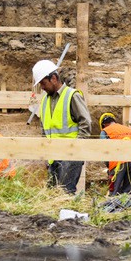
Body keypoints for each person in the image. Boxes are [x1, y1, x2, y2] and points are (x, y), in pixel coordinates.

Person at [32, 59, 91, 194]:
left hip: (70, 156)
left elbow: (85, 124)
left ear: (53, 78)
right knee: (52, 194)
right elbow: (45, 129)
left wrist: (76, 150)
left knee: (66, 194)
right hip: (53, 156)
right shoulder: (45, 100)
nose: (42, 87)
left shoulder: (72, 96)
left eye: (43, 83)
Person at [98, 112, 131, 196]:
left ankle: (114, 207)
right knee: (128, 193)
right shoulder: (129, 130)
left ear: (104, 124)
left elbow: (105, 151)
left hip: (118, 165)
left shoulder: (105, 131)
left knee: (114, 193)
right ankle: (128, 208)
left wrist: (109, 167)